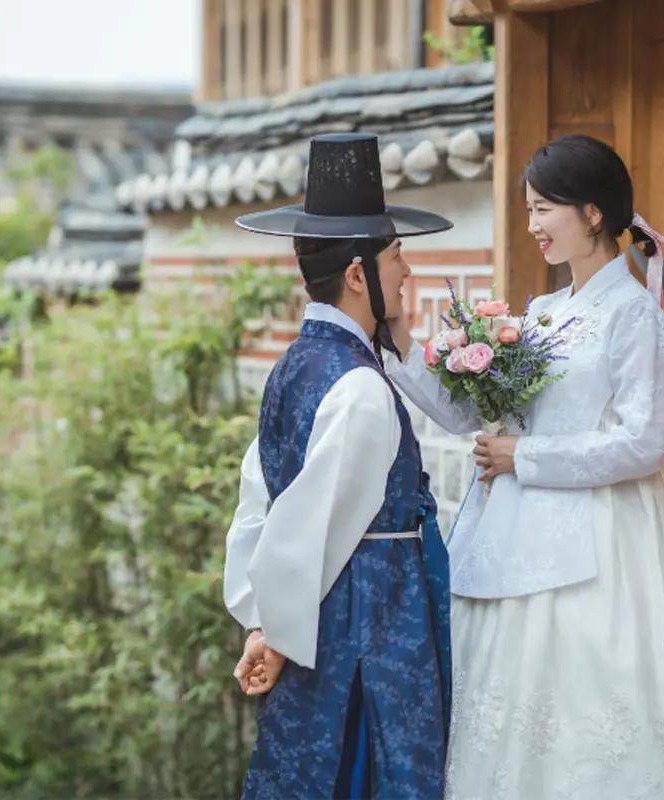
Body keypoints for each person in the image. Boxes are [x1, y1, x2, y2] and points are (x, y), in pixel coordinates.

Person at [383, 134, 664, 798]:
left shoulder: (633, 314)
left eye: (544, 209)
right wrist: (399, 342)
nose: (532, 225)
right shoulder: (541, 313)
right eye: (528, 210)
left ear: (593, 211)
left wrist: (523, 457)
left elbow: (641, 443)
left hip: (608, 541)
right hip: (518, 534)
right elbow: (473, 414)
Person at [222, 132, 453, 799]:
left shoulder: (296, 366)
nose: (406, 274)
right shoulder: (358, 390)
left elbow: (258, 506)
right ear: (358, 276)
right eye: (396, 259)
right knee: (371, 768)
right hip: (371, 625)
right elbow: (303, 531)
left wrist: (262, 622)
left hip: (325, 620)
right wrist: (276, 633)